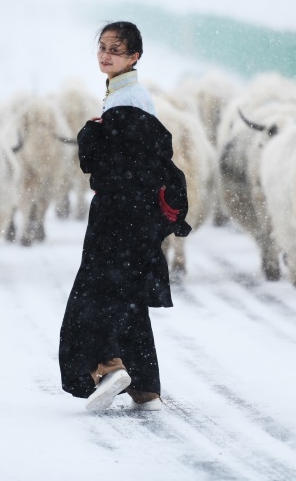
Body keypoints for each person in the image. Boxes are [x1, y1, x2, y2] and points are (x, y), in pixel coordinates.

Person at [58, 21, 190, 412]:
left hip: (119, 213)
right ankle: (145, 389)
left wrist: (91, 138)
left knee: (97, 292)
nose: (106, 54)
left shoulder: (128, 102)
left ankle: (108, 365)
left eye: (116, 49)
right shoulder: (127, 96)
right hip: (135, 214)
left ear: (135, 57)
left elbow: (121, 164)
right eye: (102, 47)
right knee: (129, 294)